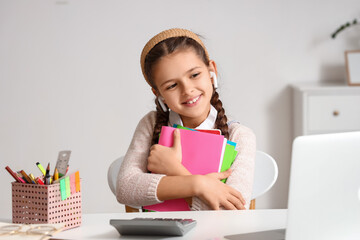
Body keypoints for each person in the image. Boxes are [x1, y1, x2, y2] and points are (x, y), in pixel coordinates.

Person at [116, 28, 256, 210]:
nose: (187, 89)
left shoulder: (240, 136)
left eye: (195, 75)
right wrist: (199, 184)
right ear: (158, 93)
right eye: (172, 85)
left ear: (211, 70)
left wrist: (174, 170)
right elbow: (125, 188)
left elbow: (231, 210)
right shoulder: (151, 123)